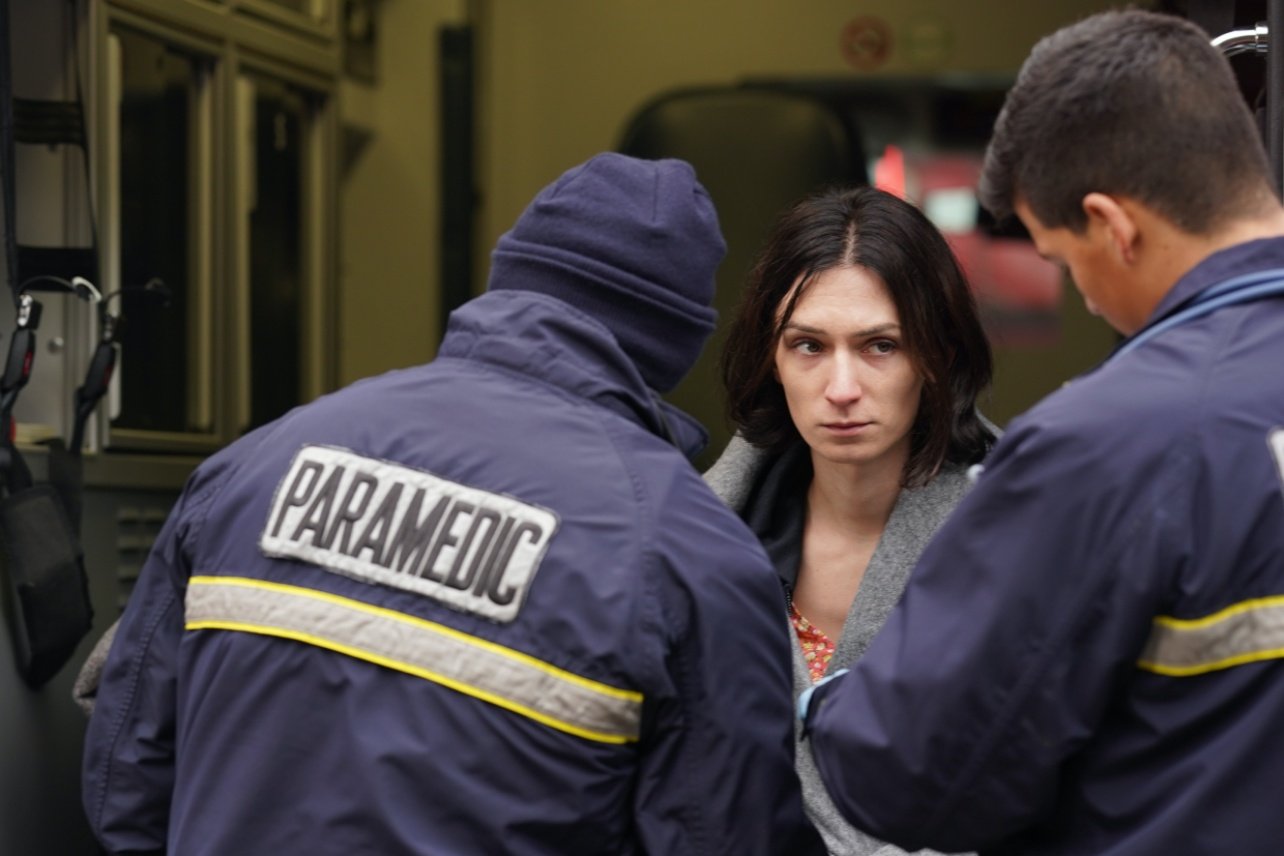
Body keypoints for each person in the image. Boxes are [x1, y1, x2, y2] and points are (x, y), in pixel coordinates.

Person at [81, 152, 825, 856]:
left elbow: (128, 774)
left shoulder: (258, 463)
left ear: (506, 281)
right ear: (674, 345)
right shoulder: (691, 554)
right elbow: (723, 834)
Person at [800, 9, 1284, 855]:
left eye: (1062, 261)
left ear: (1114, 226)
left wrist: (819, 701)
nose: (1087, 300)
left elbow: (908, 771)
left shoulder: (1107, 443)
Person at [704, 184, 996, 856]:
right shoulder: (700, 535)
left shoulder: (1022, 531)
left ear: (939, 356)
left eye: (880, 346)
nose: (841, 389)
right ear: (772, 359)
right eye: (809, 345)